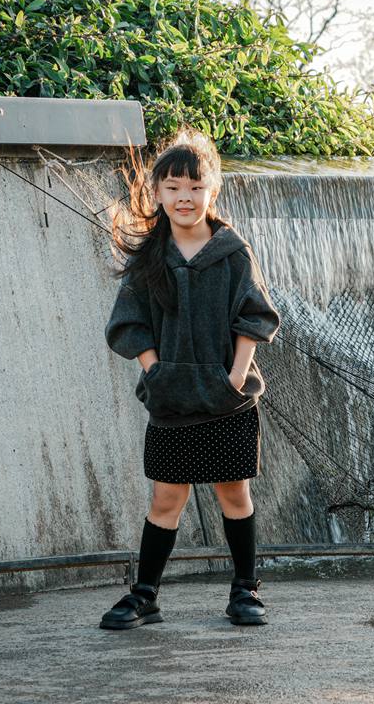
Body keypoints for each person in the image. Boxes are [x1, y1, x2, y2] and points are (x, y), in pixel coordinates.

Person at [99, 128, 282, 630]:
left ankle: (245, 590)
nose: (184, 196)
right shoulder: (150, 259)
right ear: (156, 193)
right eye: (173, 187)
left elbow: (255, 316)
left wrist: (234, 377)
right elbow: (128, 324)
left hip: (228, 400)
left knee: (233, 492)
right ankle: (145, 596)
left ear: (212, 191)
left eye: (195, 187)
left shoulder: (232, 252)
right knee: (166, 498)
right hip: (171, 399)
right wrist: (155, 372)